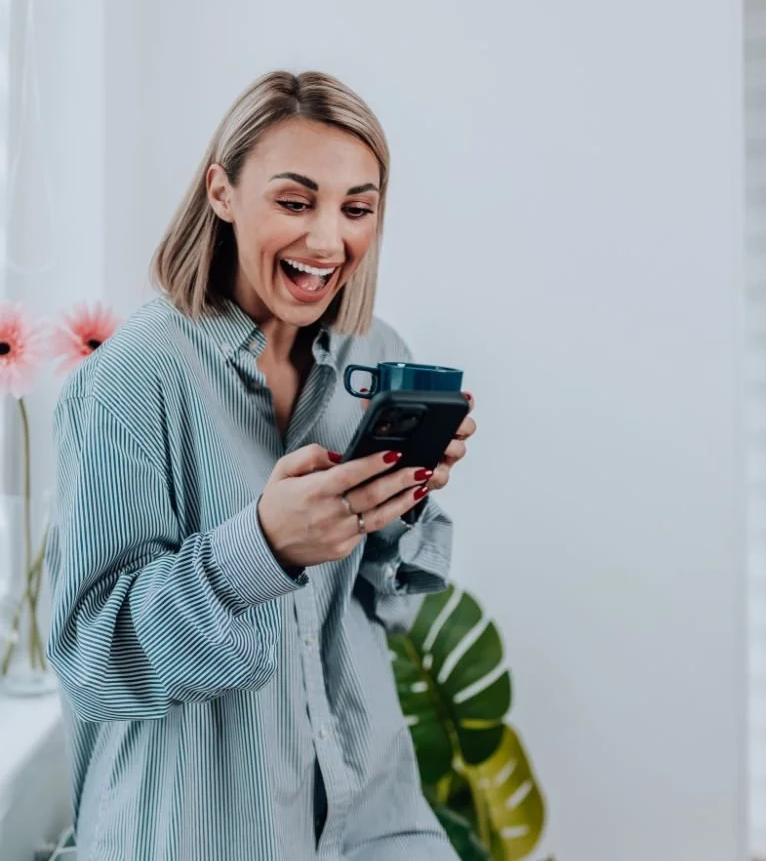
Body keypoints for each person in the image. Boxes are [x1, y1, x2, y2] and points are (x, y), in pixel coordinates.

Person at [45, 70, 476, 861]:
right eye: (293, 201)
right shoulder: (130, 381)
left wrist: (400, 500)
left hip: (372, 816)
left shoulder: (376, 355)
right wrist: (263, 549)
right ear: (222, 192)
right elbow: (89, 662)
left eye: (356, 209)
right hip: (196, 833)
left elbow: (388, 605)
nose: (326, 241)